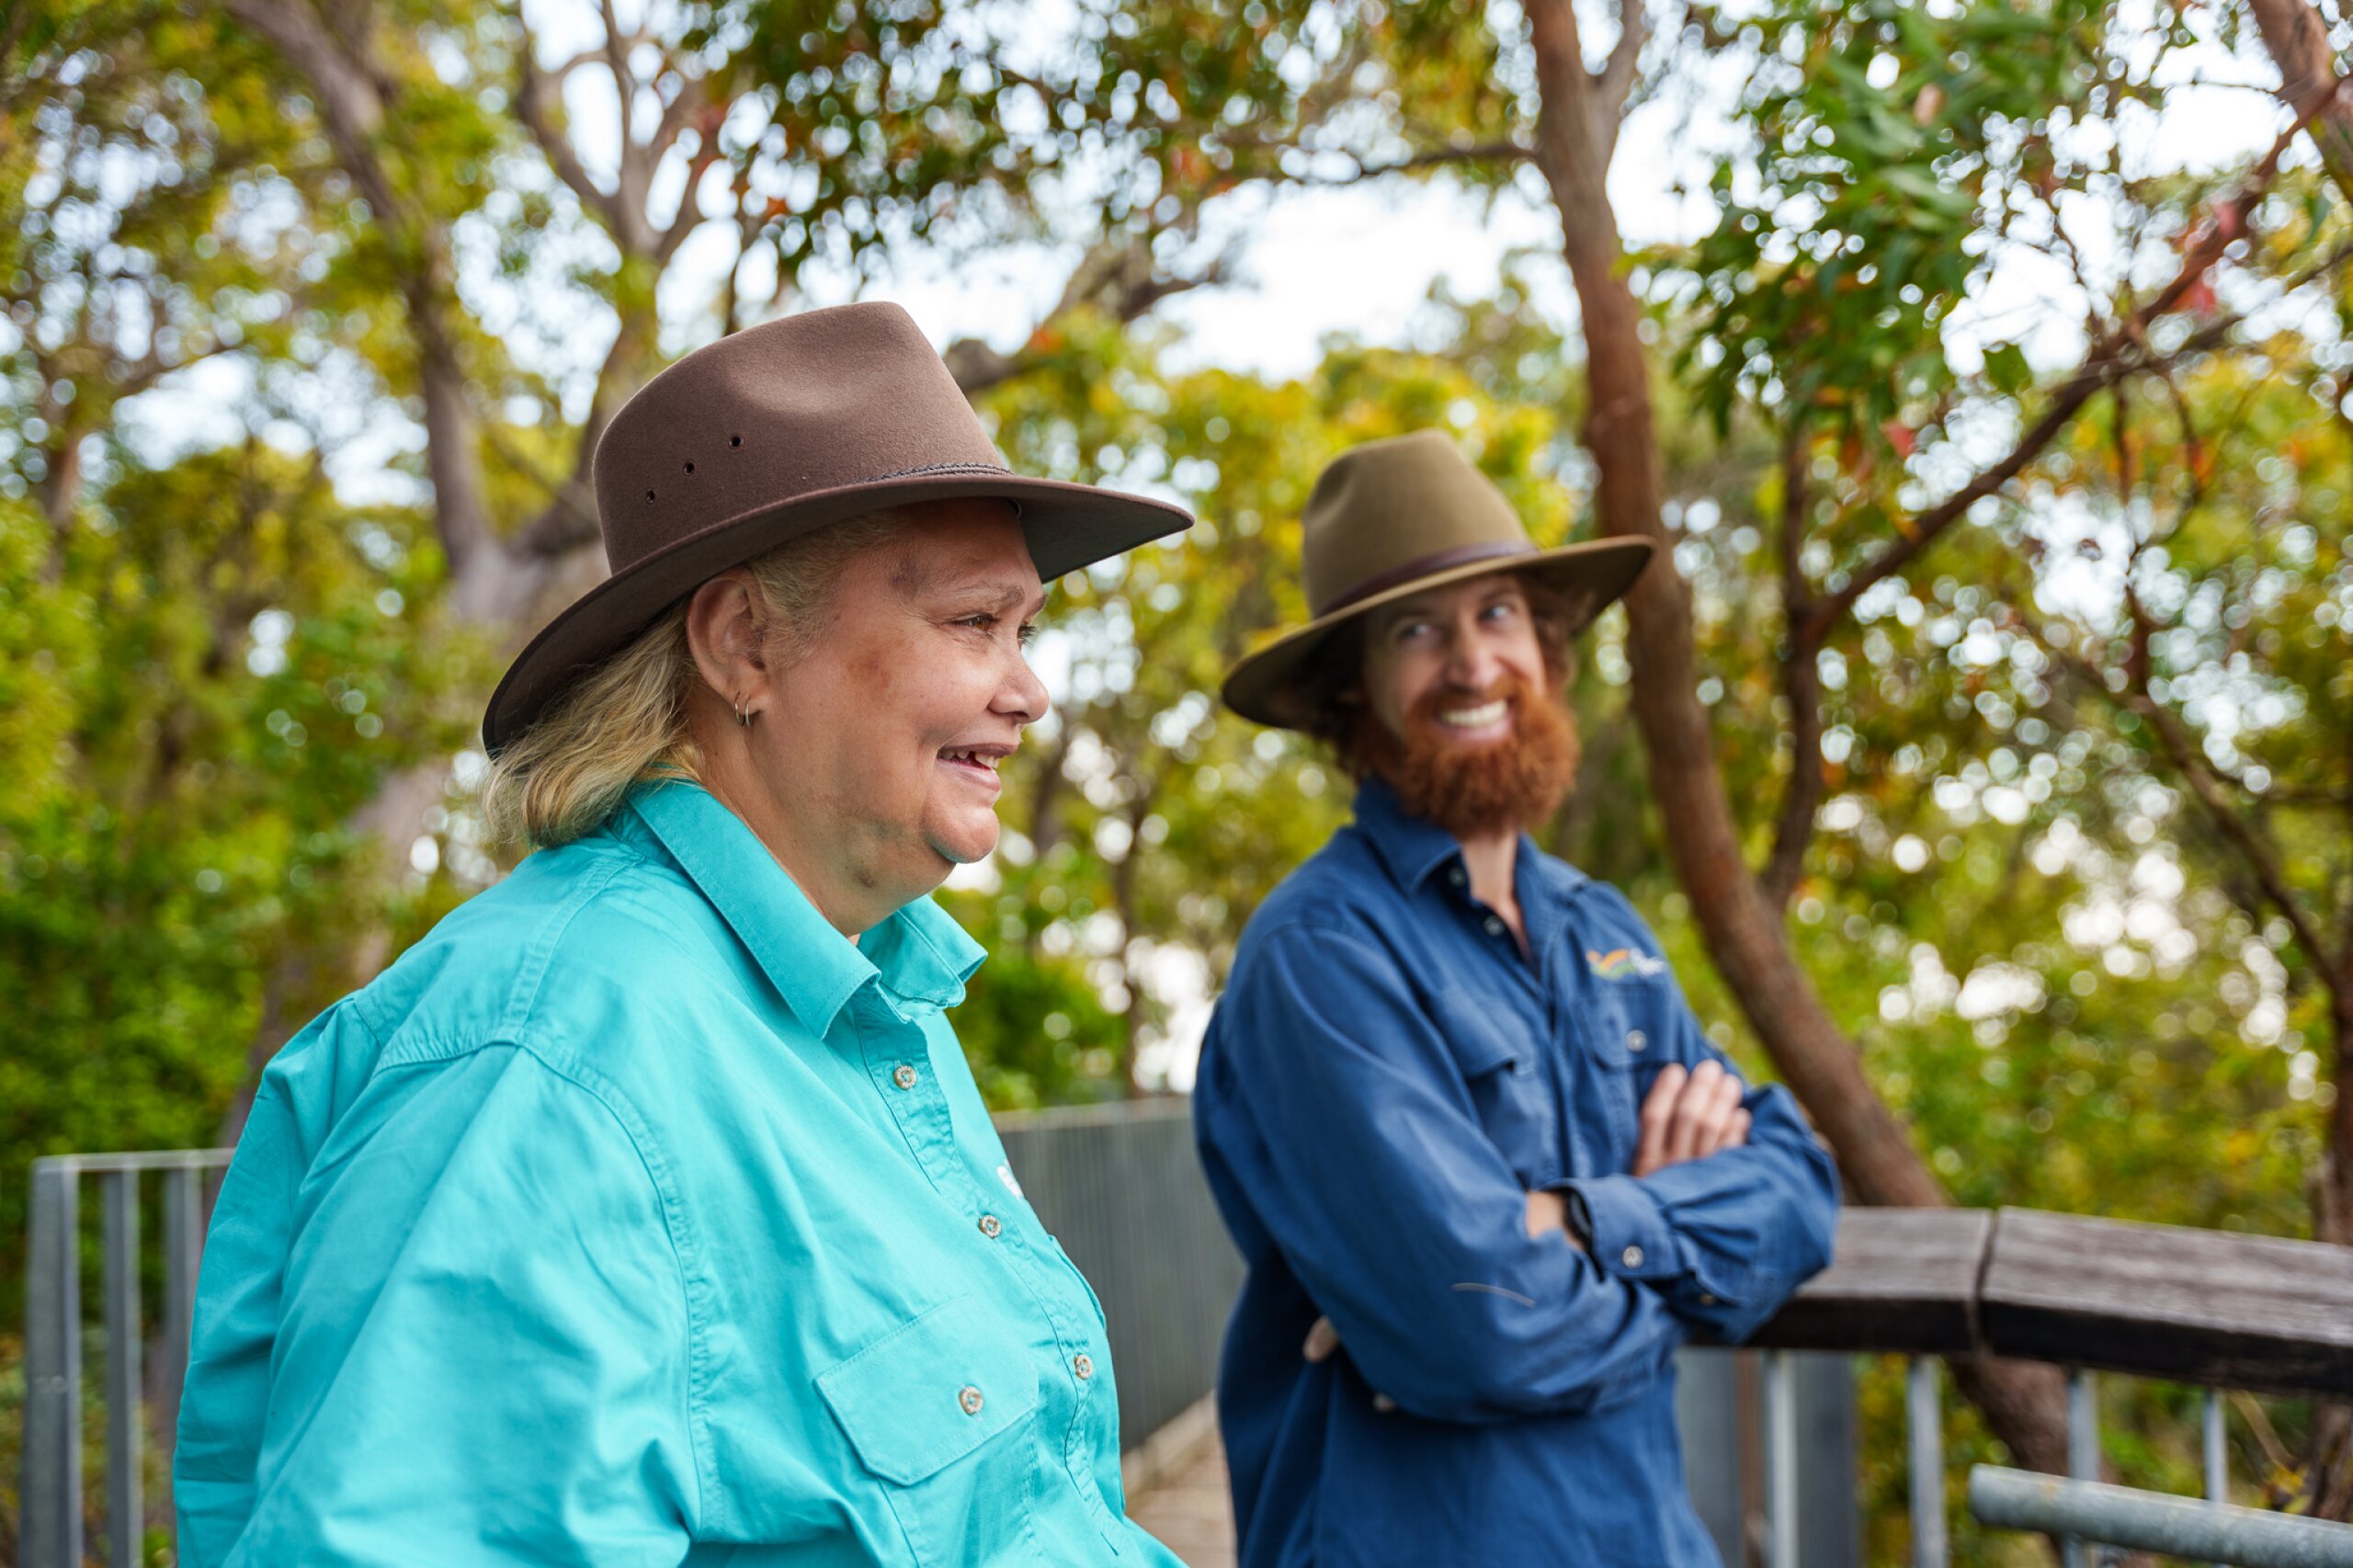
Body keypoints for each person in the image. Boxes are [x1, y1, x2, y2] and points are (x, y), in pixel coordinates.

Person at [174, 301, 1197, 1567]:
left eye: (1027, 630)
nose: (1029, 686)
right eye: (975, 623)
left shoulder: (875, 1001)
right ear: (744, 643)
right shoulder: (549, 1065)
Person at [1193, 429, 1840, 1567]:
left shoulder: (1604, 929)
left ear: (1545, 645)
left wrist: (1582, 1222)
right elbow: (1473, 1323)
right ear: (1354, 689)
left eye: (1497, 614)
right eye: (1416, 631)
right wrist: (1673, 1233)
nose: (1473, 664)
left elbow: (1797, 1187)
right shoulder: (1318, 952)